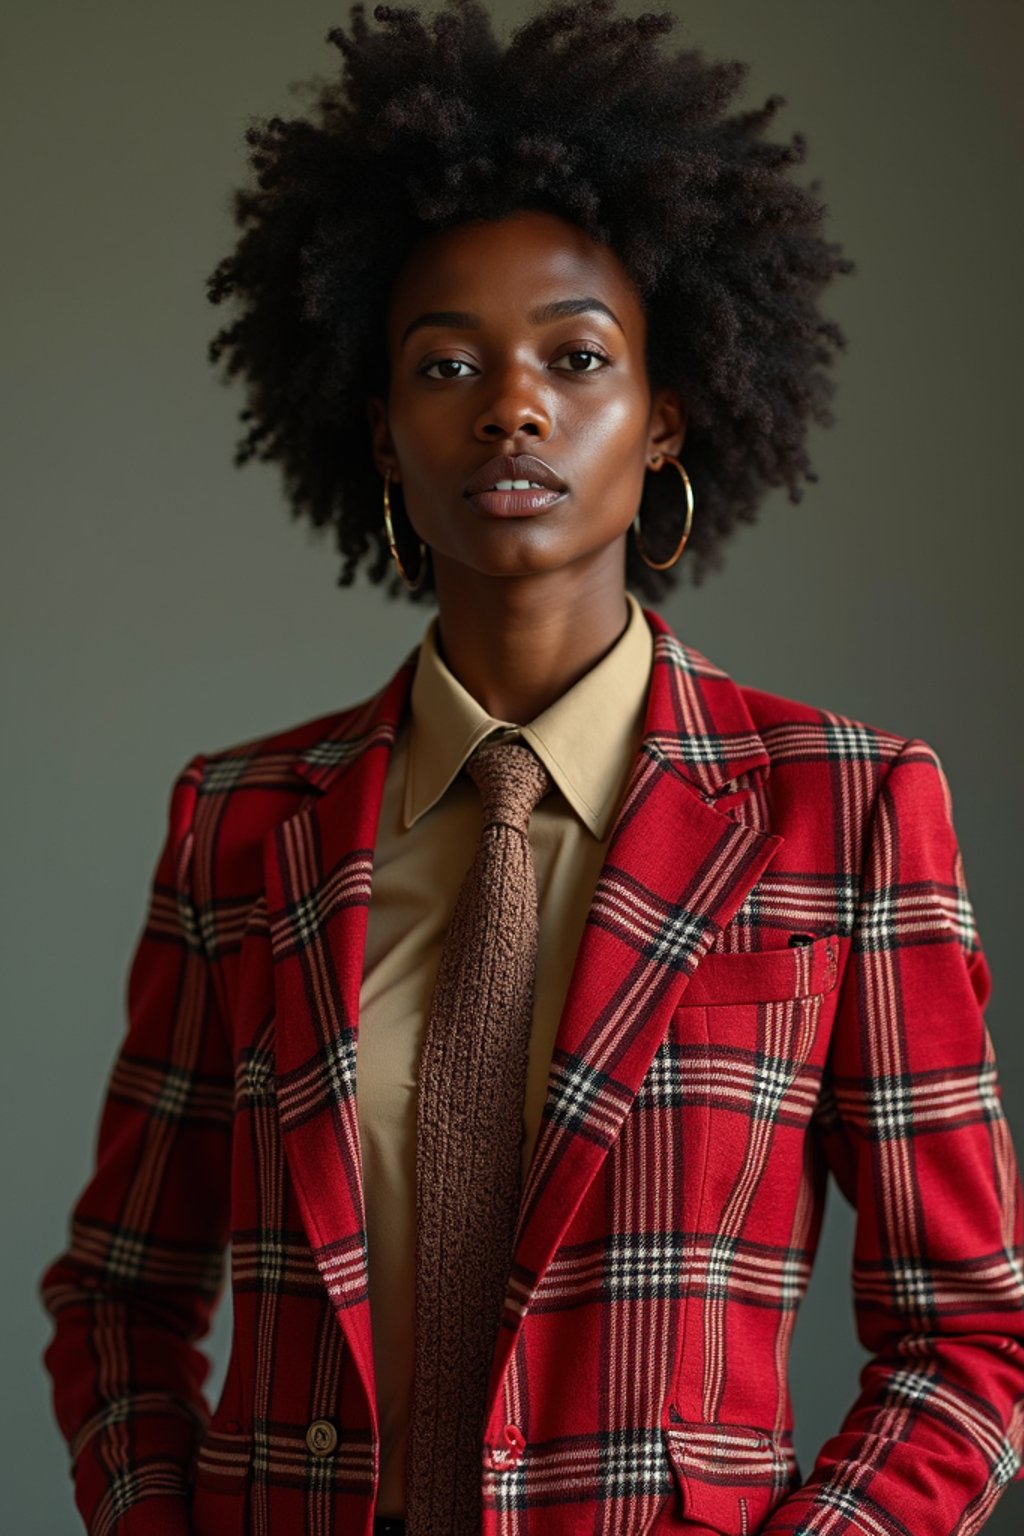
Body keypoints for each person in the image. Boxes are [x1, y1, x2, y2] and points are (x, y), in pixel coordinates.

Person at [39, 2, 1024, 1533]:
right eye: (447, 364)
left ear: (665, 416)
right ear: (379, 435)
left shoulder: (847, 811)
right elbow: (119, 1297)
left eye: (576, 356)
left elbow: (966, 1339)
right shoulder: (241, 828)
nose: (512, 406)